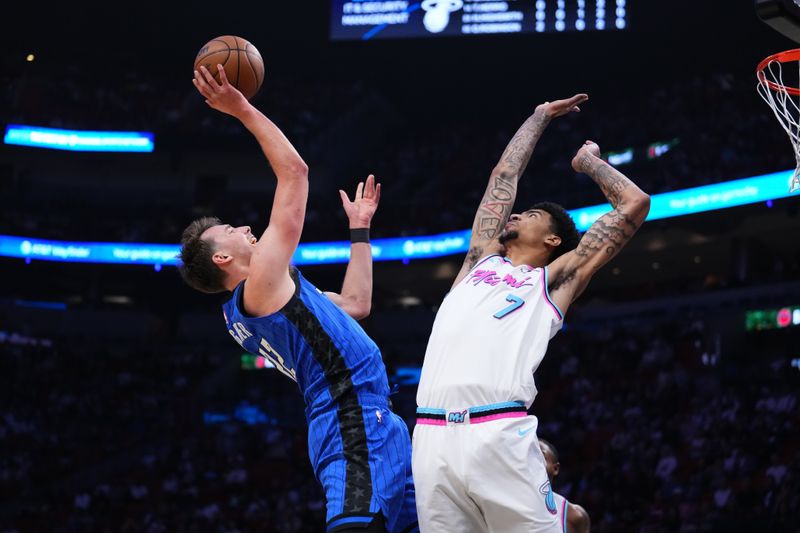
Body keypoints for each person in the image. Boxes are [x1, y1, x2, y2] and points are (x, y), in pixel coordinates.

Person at [178, 64, 417, 533]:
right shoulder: (260, 288)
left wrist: (360, 229)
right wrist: (241, 108)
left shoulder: (275, 298)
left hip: (374, 420)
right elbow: (295, 174)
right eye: (233, 230)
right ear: (224, 257)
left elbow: (356, 303)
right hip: (351, 421)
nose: (247, 228)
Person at [412, 93, 651, 532]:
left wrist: (589, 164)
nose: (517, 212)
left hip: (498, 431)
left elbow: (633, 204)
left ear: (553, 241)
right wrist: (538, 117)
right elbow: (504, 175)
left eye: (532, 213)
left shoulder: (555, 279)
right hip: (429, 438)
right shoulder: (477, 262)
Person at [538, 438, 591, 533]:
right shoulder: (507, 502)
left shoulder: (575, 516)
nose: (533, 462)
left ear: (555, 469)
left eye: (540, 457)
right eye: (529, 458)